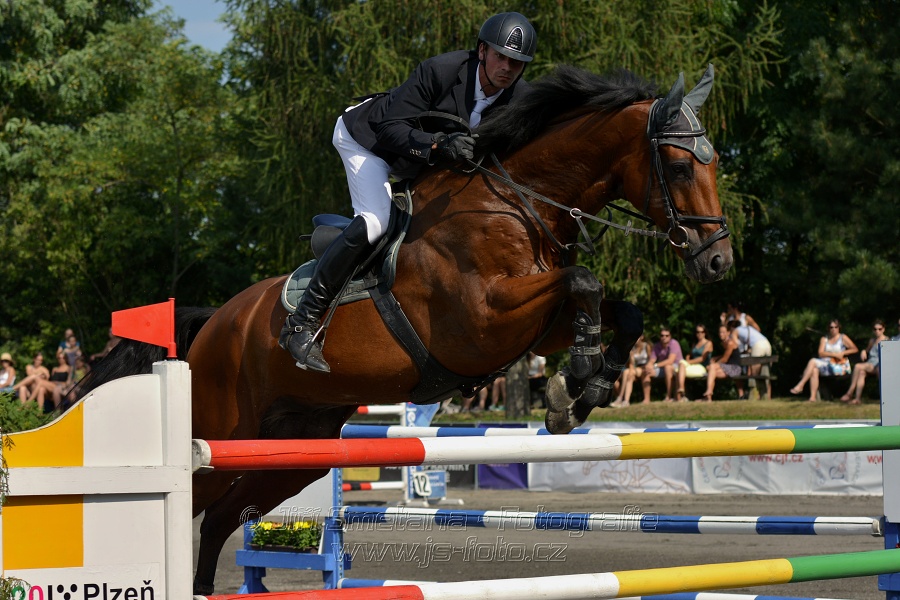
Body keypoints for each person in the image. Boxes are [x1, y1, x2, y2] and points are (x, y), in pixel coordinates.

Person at [278, 12, 537, 373]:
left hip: (418, 162)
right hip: (368, 142)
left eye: (517, 63)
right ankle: (301, 324)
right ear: (482, 51)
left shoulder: (520, 99)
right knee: (375, 222)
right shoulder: (441, 71)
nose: (507, 68)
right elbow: (389, 129)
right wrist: (437, 146)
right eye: (501, 56)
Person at [790, 319, 858, 402]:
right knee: (814, 369)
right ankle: (812, 397)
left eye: (836, 327)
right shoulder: (824, 339)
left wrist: (843, 353)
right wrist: (834, 354)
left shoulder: (843, 337)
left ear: (839, 328)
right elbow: (821, 353)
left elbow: (854, 349)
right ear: (828, 328)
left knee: (812, 362)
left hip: (839, 367)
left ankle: (801, 385)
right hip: (825, 365)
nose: (833, 329)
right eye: (831, 327)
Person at [840, 319, 889, 405]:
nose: (877, 331)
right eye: (875, 329)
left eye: (879, 329)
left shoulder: (887, 340)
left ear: (883, 329)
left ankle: (850, 392)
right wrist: (863, 351)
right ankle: (857, 398)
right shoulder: (872, 341)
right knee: (861, 373)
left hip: (879, 364)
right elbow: (867, 351)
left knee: (858, 366)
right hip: (870, 363)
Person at [732, 319, 773, 399]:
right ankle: (768, 395)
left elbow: (735, 344)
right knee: (765, 371)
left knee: (755, 372)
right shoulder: (748, 329)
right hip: (767, 344)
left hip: (758, 346)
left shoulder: (735, 331)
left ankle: (756, 394)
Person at [640, 328, 683, 403]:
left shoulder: (674, 343)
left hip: (677, 367)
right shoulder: (657, 346)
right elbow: (652, 359)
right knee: (646, 372)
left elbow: (670, 361)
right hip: (662, 368)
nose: (664, 337)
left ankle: (668, 396)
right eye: (662, 335)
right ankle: (646, 399)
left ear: (670, 336)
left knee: (667, 368)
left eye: (667, 335)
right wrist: (649, 366)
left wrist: (655, 365)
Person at [702, 324, 743, 401]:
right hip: (727, 368)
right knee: (712, 373)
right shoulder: (723, 343)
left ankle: (709, 391)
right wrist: (716, 358)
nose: (721, 334)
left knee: (712, 368)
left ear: (728, 333)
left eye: (723, 332)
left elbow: (725, 359)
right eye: (720, 332)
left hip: (734, 368)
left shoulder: (730, 343)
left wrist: (713, 365)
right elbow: (725, 355)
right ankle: (708, 397)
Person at [675, 324, 713, 402]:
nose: (699, 334)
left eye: (702, 332)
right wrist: (688, 358)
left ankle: (681, 393)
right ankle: (681, 392)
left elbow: (702, 358)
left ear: (705, 333)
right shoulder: (695, 344)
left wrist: (688, 362)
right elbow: (690, 354)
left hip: (702, 367)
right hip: (693, 365)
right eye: (697, 332)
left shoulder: (708, 343)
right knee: (679, 368)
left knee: (680, 368)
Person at [611, 336, 650, 407]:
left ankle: (621, 399)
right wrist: (631, 370)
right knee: (627, 372)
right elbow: (632, 363)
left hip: (645, 367)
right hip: (636, 368)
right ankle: (624, 400)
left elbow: (651, 359)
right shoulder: (632, 348)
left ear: (642, 337)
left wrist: (648, 367)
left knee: (627, 372)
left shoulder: (646, 346)